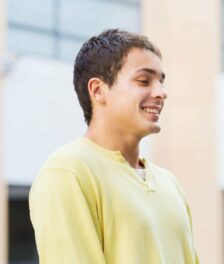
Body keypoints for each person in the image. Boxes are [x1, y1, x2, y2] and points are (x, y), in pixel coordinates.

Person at [29, 29, 199, 264]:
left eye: (161, 81)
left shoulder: (170, 183)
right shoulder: (68, 171)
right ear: (98, 90)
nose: (161, 93)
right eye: (144, 80)